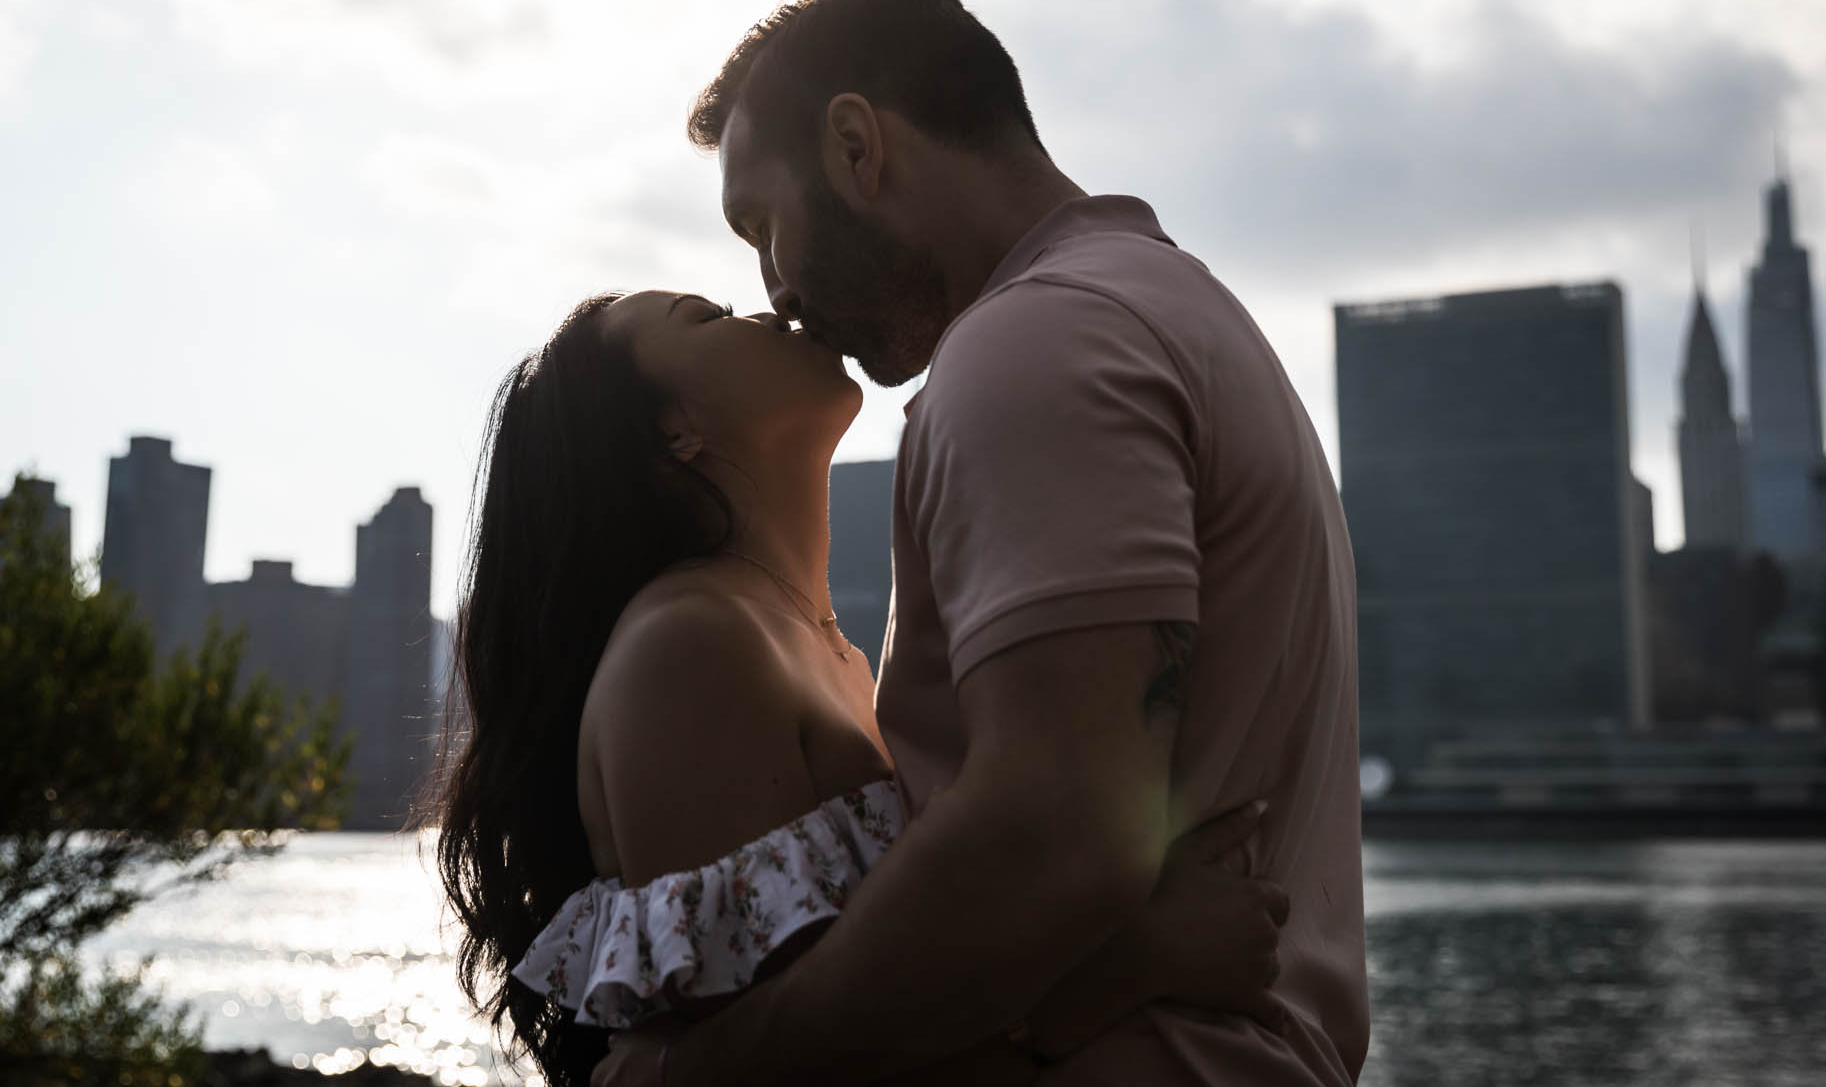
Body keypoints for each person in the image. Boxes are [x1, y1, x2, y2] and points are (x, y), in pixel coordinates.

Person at [595, 0, 1369, 1086]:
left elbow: (1054, 832)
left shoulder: (1032, 350)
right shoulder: (1168, 310)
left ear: (857, 148)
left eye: (762, 224)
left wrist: (719, 1068)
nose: (773, 287)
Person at [428, 290, 1292, 1087]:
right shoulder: (689, 643)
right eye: (708, 315)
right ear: (675, 431)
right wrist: (1133, 961)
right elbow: (782, 1066)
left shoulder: (819, 647)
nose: (766, 310)